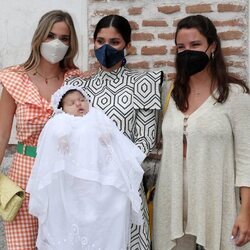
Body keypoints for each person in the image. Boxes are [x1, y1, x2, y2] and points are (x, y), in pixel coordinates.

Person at [65, 14, 163, 249]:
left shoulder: (145, 83)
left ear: (128, 46)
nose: (105, 48)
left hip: (123, 185)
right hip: (85, 187)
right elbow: (67, 134)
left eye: (114, 42)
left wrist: (113, 170)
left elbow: (145, 140)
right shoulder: (79, 87)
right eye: (100, 41)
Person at [153, 14, 250, 250]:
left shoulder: (235, 96)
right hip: (173, 203)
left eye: (195, 45)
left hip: (216, 200)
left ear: (212, 46)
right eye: (181, 47)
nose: (188, 52)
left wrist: (246, 212)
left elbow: (246, 159)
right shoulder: (170, 92)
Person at [0, 10, 83, 249]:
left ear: (71, 43)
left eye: (64, 38)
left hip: (64, 177)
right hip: (23, 177)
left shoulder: (76, 81)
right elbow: (3, 134)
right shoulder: (15, 79)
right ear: (39, 38)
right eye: (50, 36)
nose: (56, 43)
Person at [26, 85, 145, 250]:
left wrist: (105, 134)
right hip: (70, 179)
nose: (79, 104)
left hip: (98, 177)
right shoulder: (60, 120)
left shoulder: (95, 116)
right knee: (70, 210)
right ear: (62, 108)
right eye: (71, 103)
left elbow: (108, 132)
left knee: (103, 207)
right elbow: (58, 133)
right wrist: (62, 138)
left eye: (82, 100)